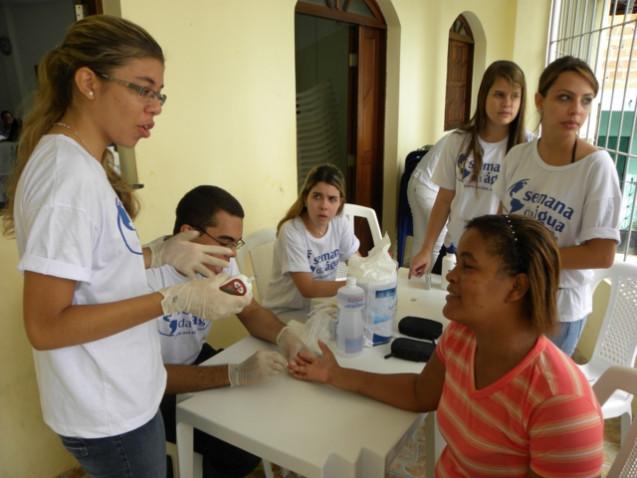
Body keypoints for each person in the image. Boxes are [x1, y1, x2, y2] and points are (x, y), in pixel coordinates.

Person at [2, 15, 250, 477]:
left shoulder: (84, 162)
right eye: (142, 89)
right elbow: (45, 326)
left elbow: (95, 268)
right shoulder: (67, 179)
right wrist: (170, 298)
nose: (155, 106)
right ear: (88, 83)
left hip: (123, 390)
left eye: (159, 93)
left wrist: (160, 253)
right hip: (108, 409)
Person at [290, 214, 605, 477]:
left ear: (516, 286)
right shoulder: (463, 336)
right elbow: (419, 393)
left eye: (467, 266)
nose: (451, 275)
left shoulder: (561, 406)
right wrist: (336, 374)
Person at [146, 185, 307, 477]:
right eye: (224, 241)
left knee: (269, 403)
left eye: (236, 243)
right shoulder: (145, 277)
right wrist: (233, 374)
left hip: (193, 359)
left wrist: (286, 336)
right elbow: (148, 376)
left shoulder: (220, 260)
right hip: (150, 390)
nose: (232, 255)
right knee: (239, 448)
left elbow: (250, 310)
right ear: (187, 233)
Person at [494, 56, 621, 356]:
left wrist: (532, 258)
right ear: (540, 99)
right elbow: (503, 223)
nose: (576, 110)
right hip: (514, 295)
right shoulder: (517, 157)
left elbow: (602, 254)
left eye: (586, 101)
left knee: (535, 398)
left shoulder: (596, 167)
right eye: (565, 97)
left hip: (559, 309)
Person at [410, 60, 530, 278]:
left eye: (515, 96)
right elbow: (445, 198)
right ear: (484, 95)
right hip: (457, 251)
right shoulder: (458, 140)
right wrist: (427, 249)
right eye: (499, 94)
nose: (507, 103)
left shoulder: (528, 147)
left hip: (502, 258)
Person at [263, 163, 360, 313]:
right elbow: (308, 289)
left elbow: (356, 262)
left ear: (340, 203)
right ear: (305, 198)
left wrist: (373, 267)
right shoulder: (291, 231)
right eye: (317, 196)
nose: (324, 206)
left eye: (332, 199)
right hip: (285, 312)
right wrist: (355, 286)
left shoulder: (340, 222)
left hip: (318, 307)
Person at [406, 134, 450, 267]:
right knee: (436, 243)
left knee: (420, 241)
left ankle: (414, 281)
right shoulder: (462, 140)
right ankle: (426, 281)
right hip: (428, 189)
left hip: (416, 183)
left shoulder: (455, 136)